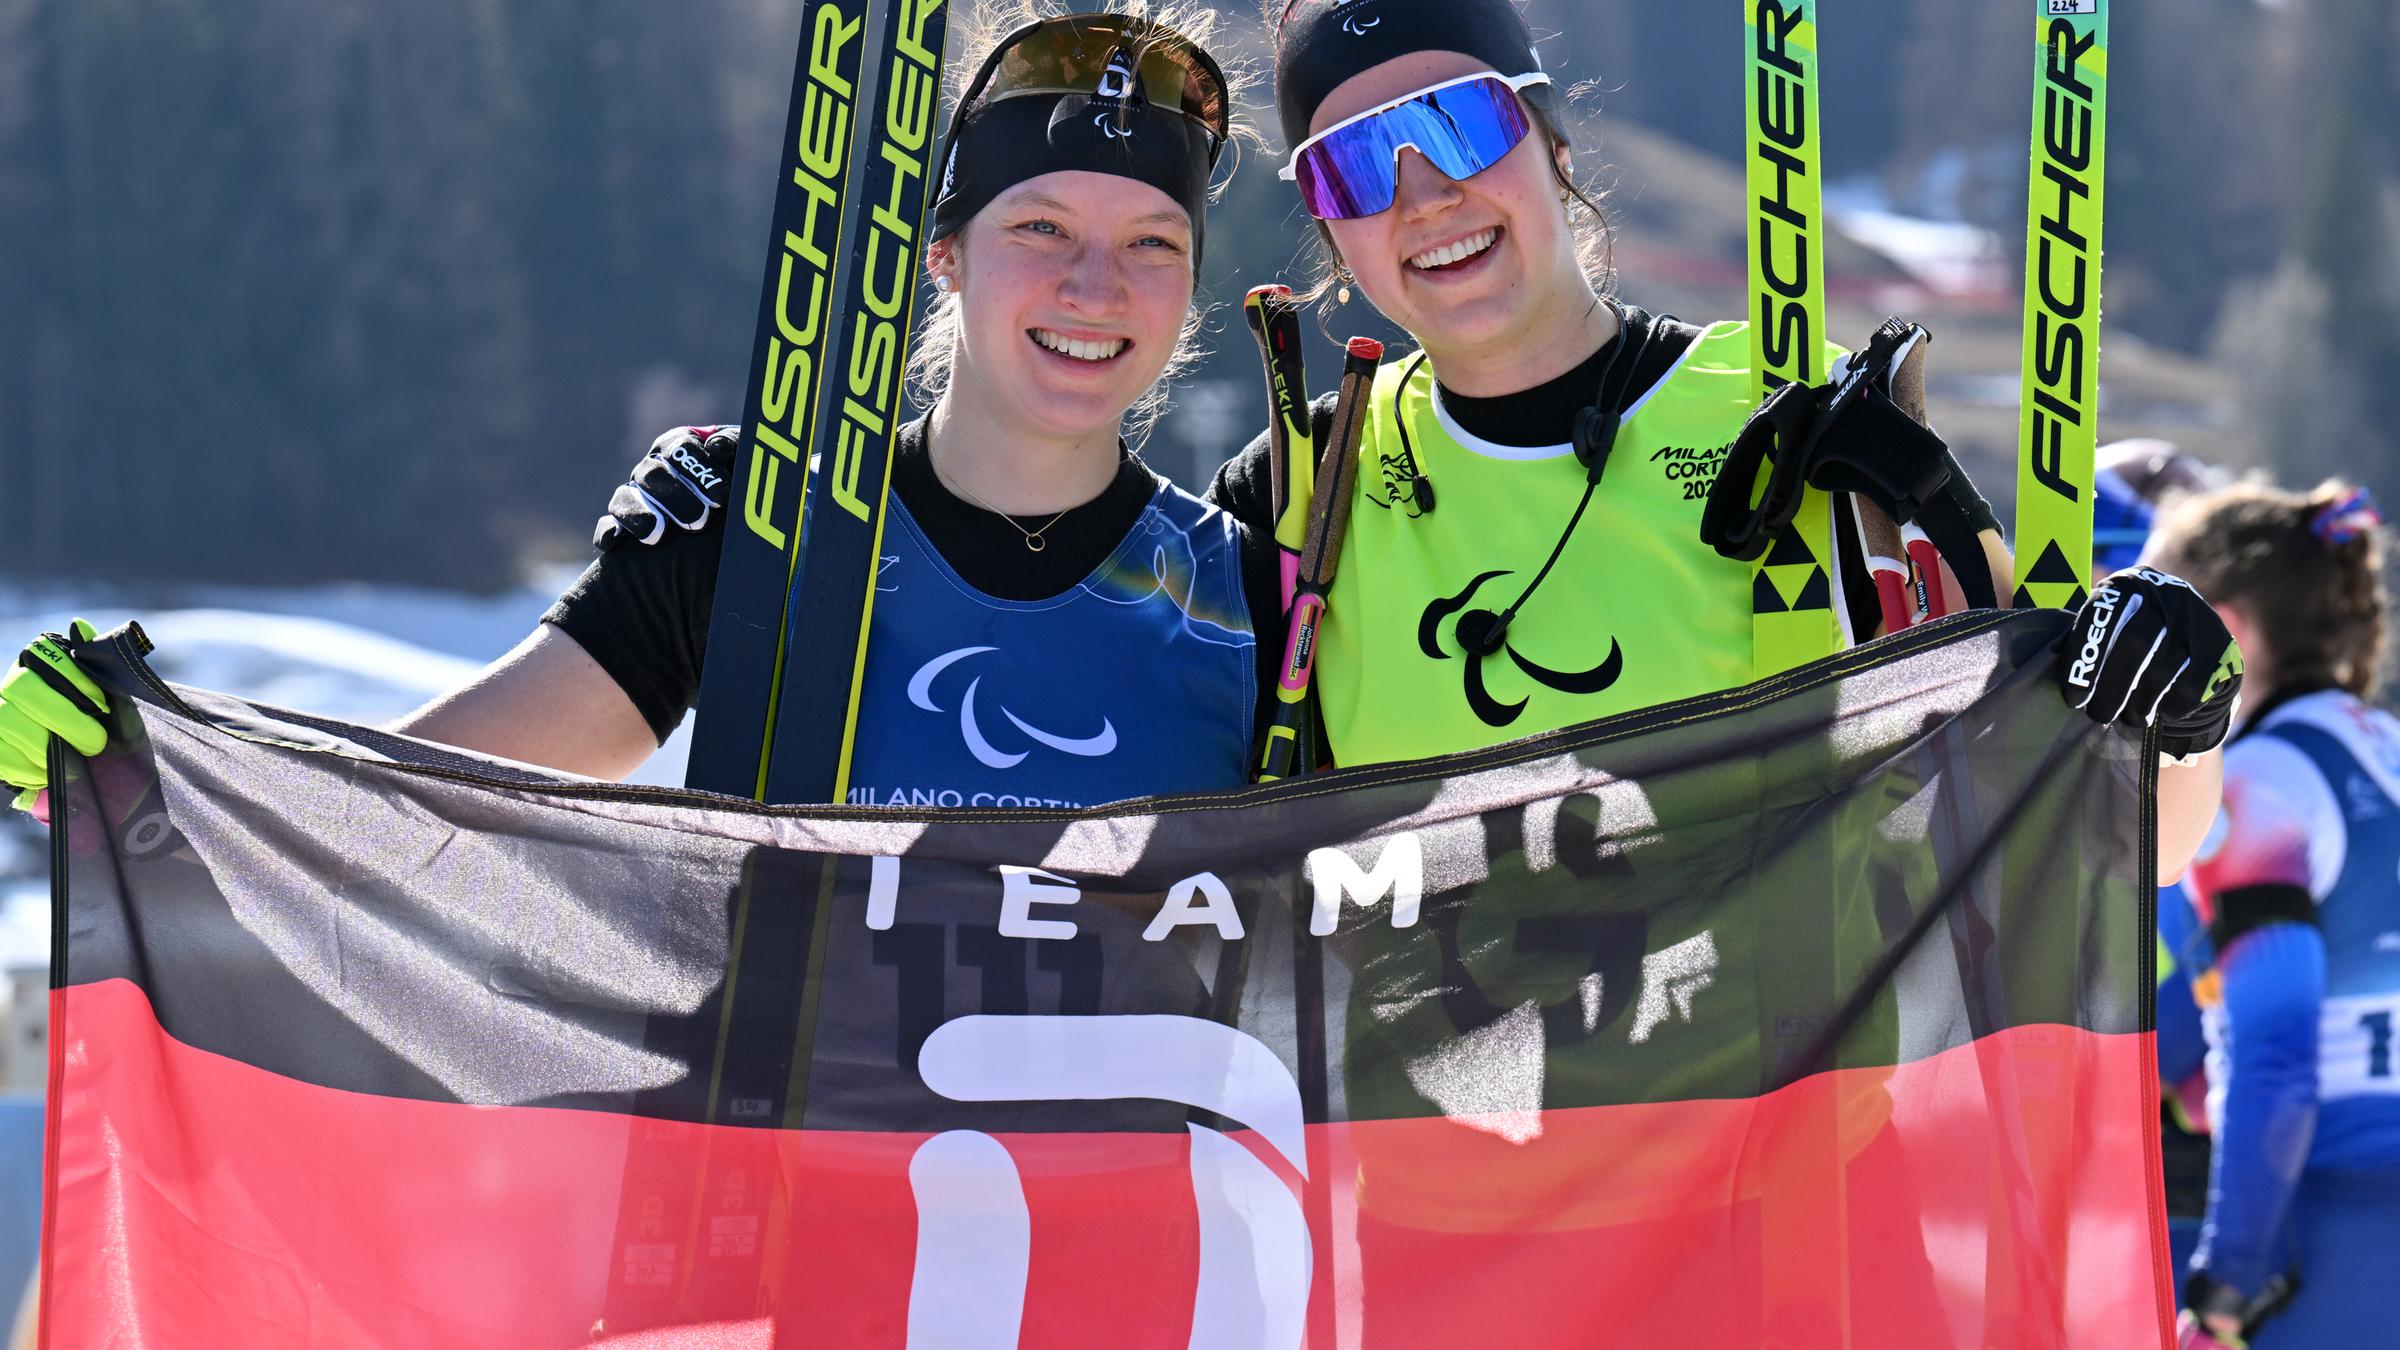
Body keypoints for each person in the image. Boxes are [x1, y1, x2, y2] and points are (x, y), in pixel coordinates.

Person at [0, 3, 1287, 816]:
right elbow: (423, 800)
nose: (1092, 285)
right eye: (1041, 226)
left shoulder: (1250, 591)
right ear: (942, 253)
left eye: (1153, 243)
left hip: (1140, 1242)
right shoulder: (759, 537)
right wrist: (147, 785)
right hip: (791, 1229)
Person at [1209, 0, 2233, 878]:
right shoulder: (1300, 493)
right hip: (1444, 1106)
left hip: (1786, 1102)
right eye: (1349, 166)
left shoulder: (1802, 417)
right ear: (1328, 228)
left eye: (1462, 124)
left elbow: (2091, 836)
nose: (1424, 193)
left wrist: (2174, 720)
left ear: (1553, 145)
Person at [2147, 481, 2400, 1349]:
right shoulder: (2386, 748)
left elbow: (2278, 1059)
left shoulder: (2255, 791)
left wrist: (2226, 1283)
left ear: (2228, 631)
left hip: (2331, 1219)